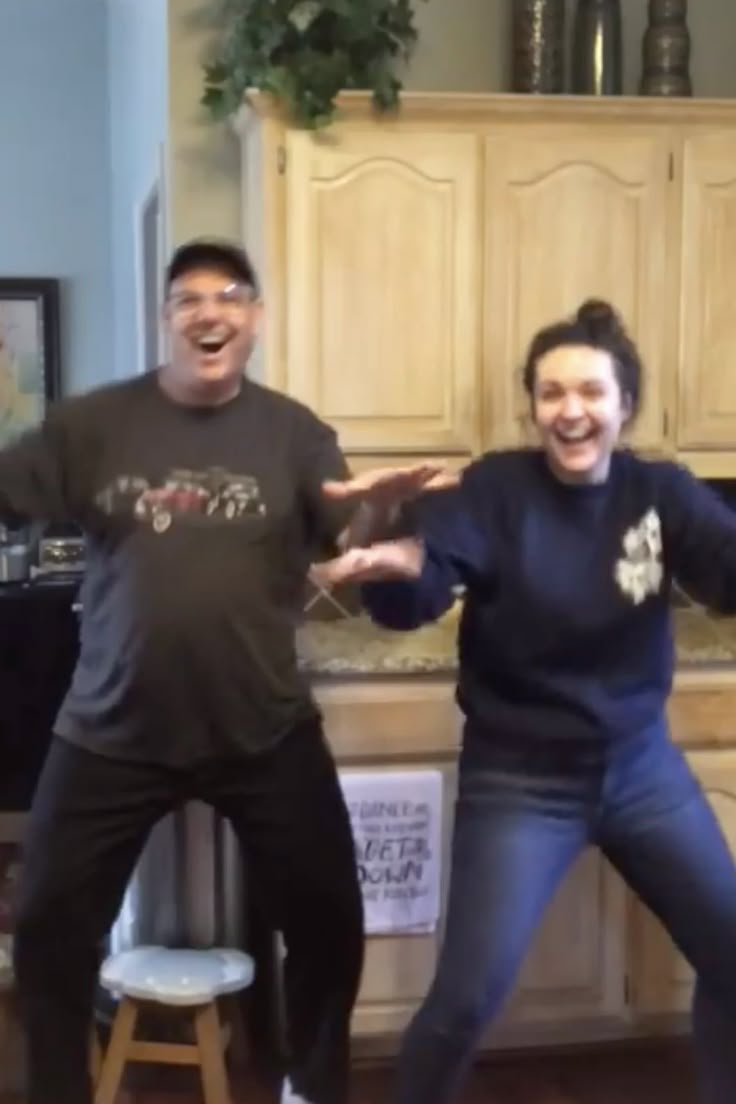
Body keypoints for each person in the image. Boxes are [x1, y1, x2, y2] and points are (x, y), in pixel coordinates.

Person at [3, 238, 446, 1104]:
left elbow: (345, 538)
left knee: (328, 923)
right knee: (50, 927)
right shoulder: (93, 427)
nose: (211, 313)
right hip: (111, 729)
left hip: (262, 727)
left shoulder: (294, 433)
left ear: (255, 319)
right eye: (189, 299)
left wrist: (383, 510)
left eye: (231, 296)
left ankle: (308, 1089)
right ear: (167, 320)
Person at [317, 300, 736, 1104]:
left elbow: (726, 570)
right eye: (551, 394)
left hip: (641, 770)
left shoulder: (660, 494)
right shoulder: (495, 490)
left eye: (589, 392)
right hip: (520, 783)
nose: (570, 411)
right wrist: (397, 554)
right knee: (466, 999)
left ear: (625, 406)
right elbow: (423, 577)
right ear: (533, 405)